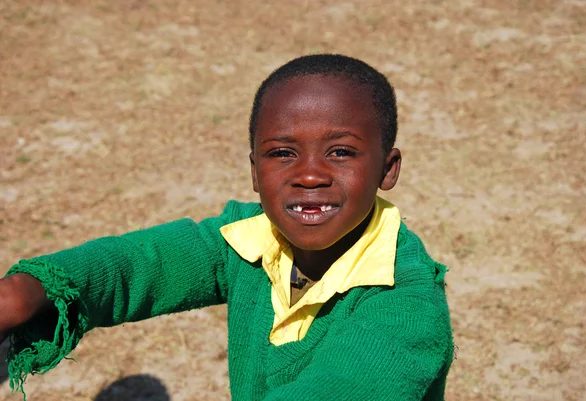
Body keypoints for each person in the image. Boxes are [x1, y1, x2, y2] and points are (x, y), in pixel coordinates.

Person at [0, 54, 454, 400]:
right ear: (255, 172)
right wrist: (30, 290)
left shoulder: (405, 305)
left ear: (387, 169)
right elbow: (139, 265)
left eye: (341, 152)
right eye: (282, 153)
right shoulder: (248, 240)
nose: (310, 175)